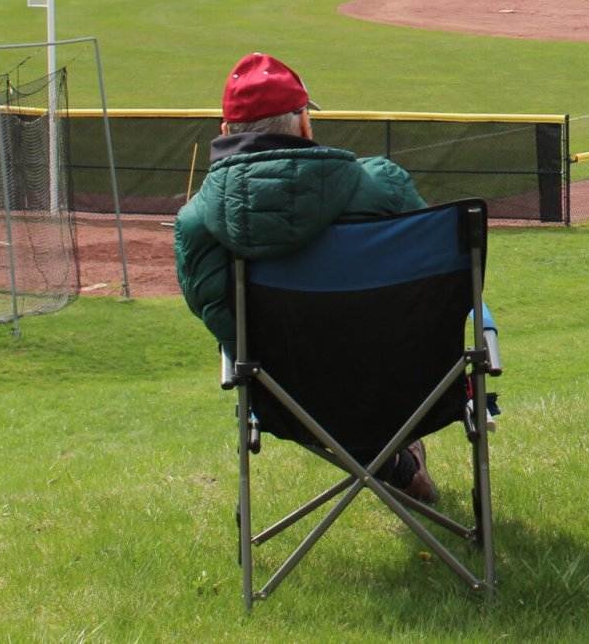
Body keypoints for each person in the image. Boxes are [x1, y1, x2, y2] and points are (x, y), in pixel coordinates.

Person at [173, 53, 437, 502]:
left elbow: (216, 312)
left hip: (286, 401)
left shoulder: (197, 221)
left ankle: (392, 461)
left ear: (224, 132)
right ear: (304, 125)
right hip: (406, 380)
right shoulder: (381, 185)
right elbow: (432, 271)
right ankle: (392, 457)